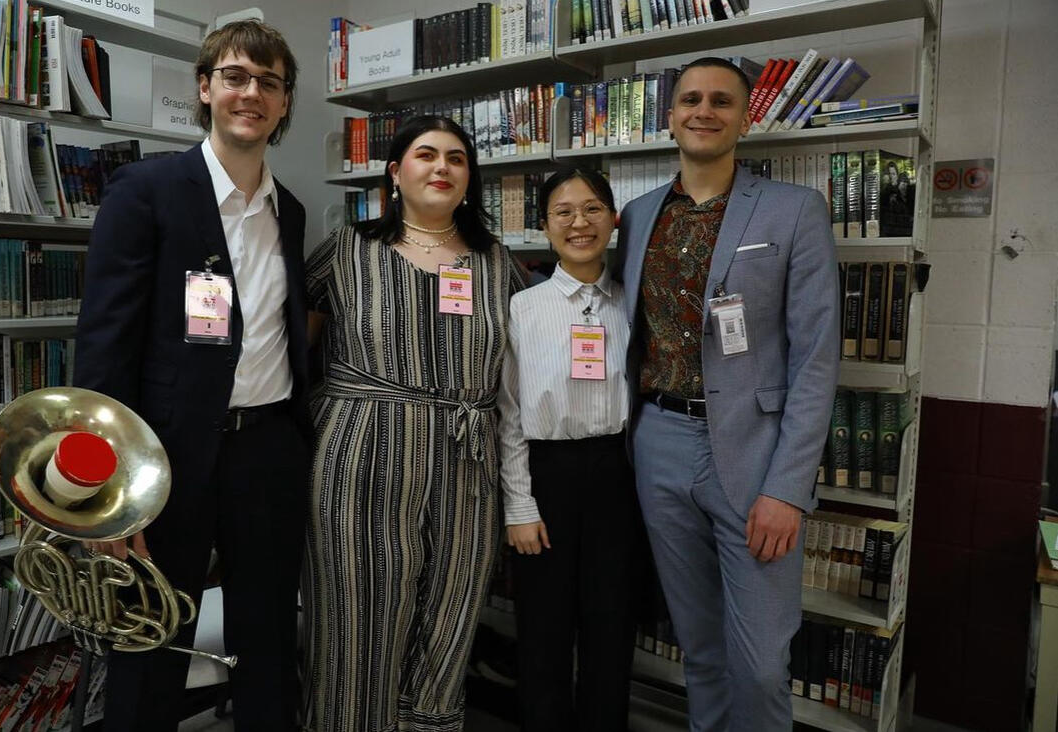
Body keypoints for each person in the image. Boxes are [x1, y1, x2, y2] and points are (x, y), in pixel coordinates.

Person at [74, 19, 310, 732]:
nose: (251, 93)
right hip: (163, 456)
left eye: (269, 82)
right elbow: (103, 346)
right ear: (205, 88)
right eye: (235, 77)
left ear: (285, 104)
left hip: (267, 449)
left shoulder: (289, 211)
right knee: (151, 633)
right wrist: (106, 493)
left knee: (268, 633)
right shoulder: (146, 190)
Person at [613, 56, 840, 731]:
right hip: (658, 444)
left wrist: (786, 488)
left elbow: (816, 358)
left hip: (753, 454)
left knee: (761, 662)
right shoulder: (637, 215)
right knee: (701, 650)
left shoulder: (794, 210)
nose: (702, 111)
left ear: (747, 116)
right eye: (688, 99)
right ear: (669, 115)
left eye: (719, 101)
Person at [302, 115, 525, 732]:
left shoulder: (498, 264)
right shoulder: (347, 251)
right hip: (361, 458)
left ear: (469, 178)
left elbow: (522, 373)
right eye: (426, 155)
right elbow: (296, 355)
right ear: (395, 173)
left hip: (468, 462)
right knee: (354, 617)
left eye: (457, 158)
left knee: (451, 612)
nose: (442, 167)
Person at [498, 166, 638, 731]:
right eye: (563, 212)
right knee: (543, 630)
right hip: (546, 476)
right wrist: (520, 506)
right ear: (545, 225)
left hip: (620, 475)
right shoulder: (522, 308)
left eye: (592, 209)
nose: (579, 223)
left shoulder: (634, 303)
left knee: (613, 625)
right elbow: (506, 414)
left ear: (613, 219)